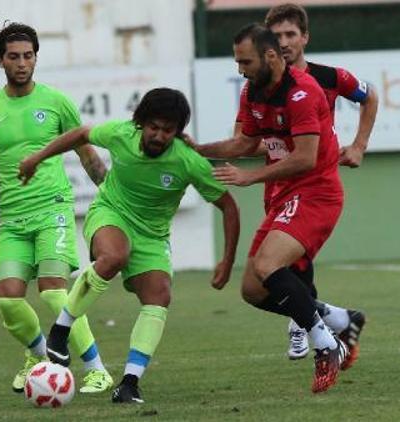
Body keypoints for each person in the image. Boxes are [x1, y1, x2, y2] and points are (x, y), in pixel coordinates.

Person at [19, 87, 240, 404]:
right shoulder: (121, 134)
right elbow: (81, 133)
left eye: (168, 130)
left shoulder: (188, 161)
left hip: (152, 235)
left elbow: (229, 207)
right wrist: (37, 158)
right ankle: (60, 331)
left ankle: (129, 384)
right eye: (154, 127)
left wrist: (227, 261)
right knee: (114, 256)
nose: (159, 136)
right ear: (140, 122)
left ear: (178, 132)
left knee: (159, 297)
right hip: (111, 213)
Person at [193, 23, 347, 394]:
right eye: (237, 62)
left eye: (245, 61)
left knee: (266, 266)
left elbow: (307, 159)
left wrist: (252, 177)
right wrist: (196, 149)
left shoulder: (303, 93)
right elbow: (245, 144)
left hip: (317, 192)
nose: (240, 69)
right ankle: (337, 319)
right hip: (286, 195)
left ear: (271, 56)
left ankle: (326, 345)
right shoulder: (252, 91)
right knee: (252, 290)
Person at [0, 22, 113, 395]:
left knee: (52, 290)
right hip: (13, 220)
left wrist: (112, 196)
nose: (21, 63)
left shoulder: (56, 102)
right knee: (8, 298)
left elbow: (88, 156)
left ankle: (97, 369)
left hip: (53, 210)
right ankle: (40, 355)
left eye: (28, 56)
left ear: (35, 58)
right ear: (0, 61)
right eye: (14, 57)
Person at [263, 3, 378, 365]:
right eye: (277, 36)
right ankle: (338, 319)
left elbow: (369, 94)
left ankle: (305, 326)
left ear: (305, 37)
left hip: (314, 183)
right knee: (279, 267)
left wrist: (359, 145)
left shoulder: (329, 77)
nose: (283, 42)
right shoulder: (262, 85)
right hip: (278, 183)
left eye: (290, 34)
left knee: (291, 260)